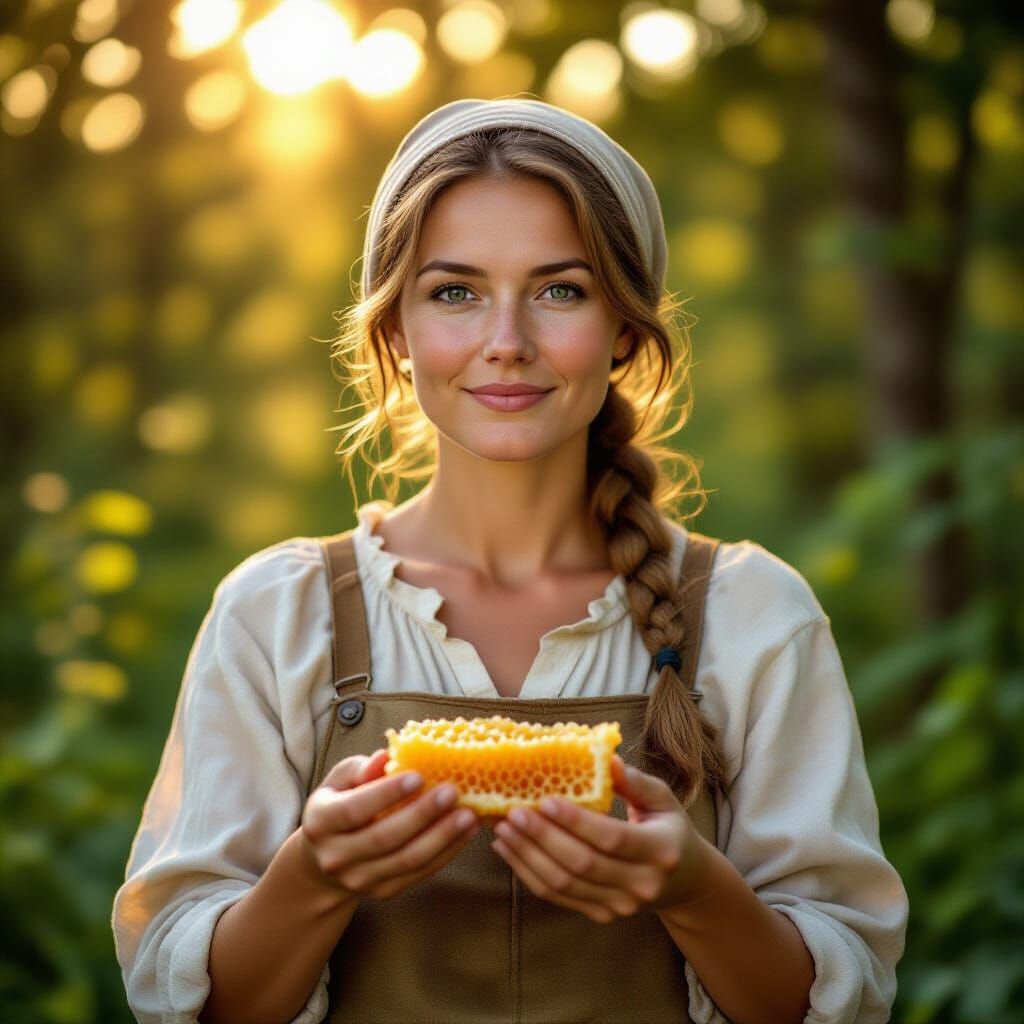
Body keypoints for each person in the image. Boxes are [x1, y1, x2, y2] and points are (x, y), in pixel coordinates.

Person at [112, 97, 908, 1024]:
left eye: (560, 289)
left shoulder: (753, 613)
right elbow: (191, 1005)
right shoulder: (278, 612)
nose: (507, 342)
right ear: (396, 332)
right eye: (455, 291)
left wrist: (696, 892)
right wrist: (311, 878)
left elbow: (840, 999)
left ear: (623, 326)